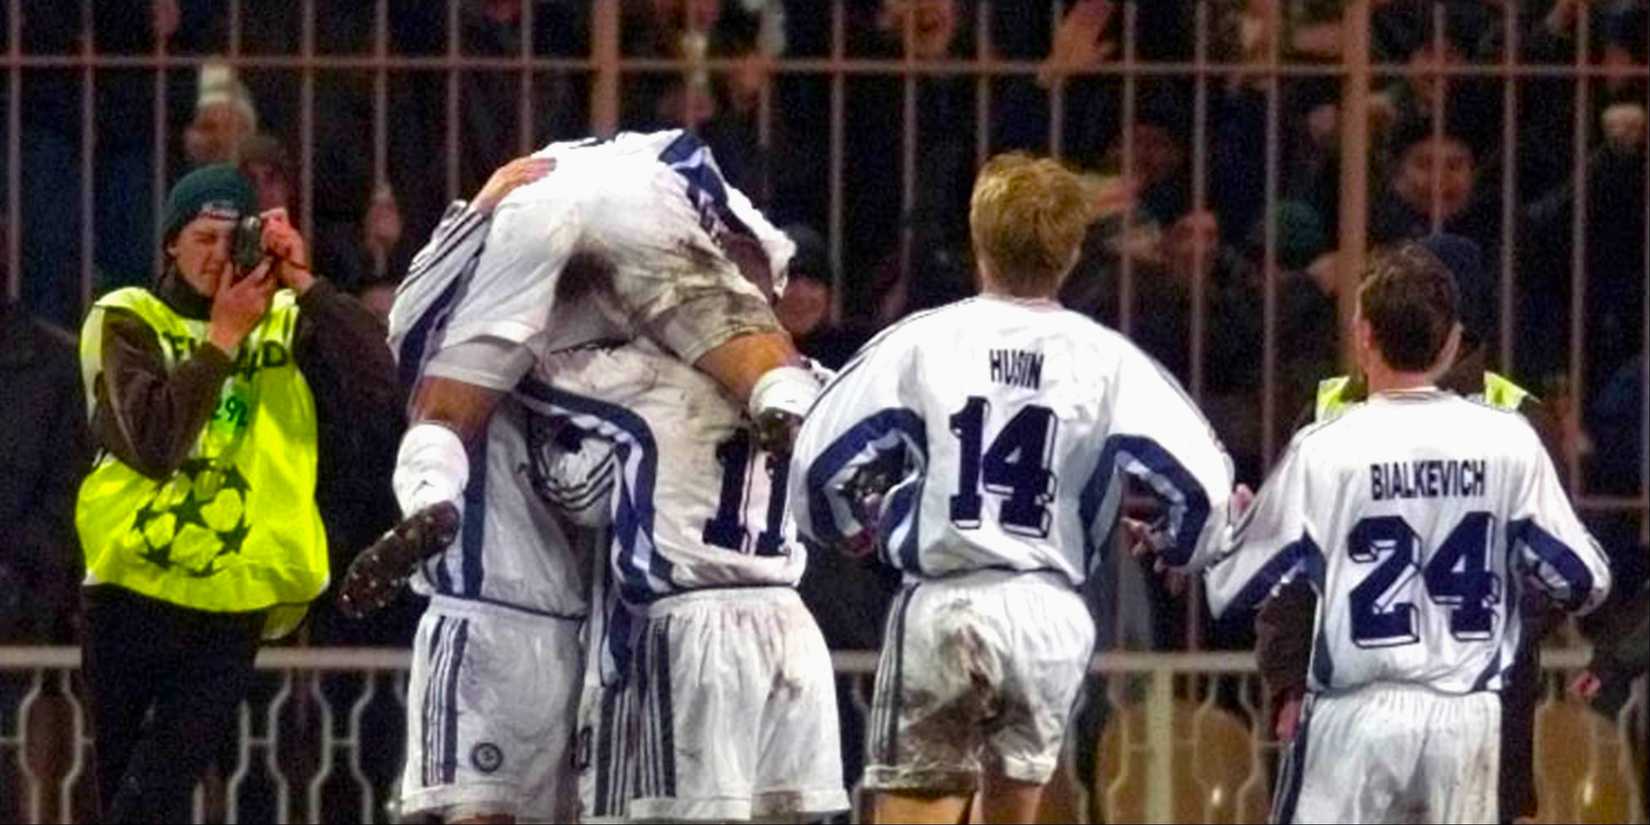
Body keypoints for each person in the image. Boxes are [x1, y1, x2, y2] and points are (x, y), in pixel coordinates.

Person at [343, 130, 830, 823]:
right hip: (749, 616)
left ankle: (430, 490)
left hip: (520, 215)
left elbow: (409, 326)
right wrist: (749, 333)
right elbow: (753, 254)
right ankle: (781, 402)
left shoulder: (531, 181)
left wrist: (474, 214)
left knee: (444, 416)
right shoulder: (675, 163)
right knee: (768, 362)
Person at [789, 152, 1238, 825]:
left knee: (917, 810)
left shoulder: (924, 341)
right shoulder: (1107, 359)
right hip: (1048, 610)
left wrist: (854, 530)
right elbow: (1205, 488)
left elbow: (819, 463)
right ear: (1073, 251)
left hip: (948, 603)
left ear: (977, 241)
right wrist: (1178, 546)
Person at [1196, 242, 1613, 824]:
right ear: (1449, 340)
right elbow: (1584, 579)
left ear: (1364, 333)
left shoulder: (1326, 437)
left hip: (1353, 708)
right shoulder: (1512, 435)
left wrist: (1231, 529)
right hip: (1472, 711)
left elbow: (1237, 585)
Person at [74, 164, 398, 822]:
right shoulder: (125, 317)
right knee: (124, 790)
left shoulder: (284, 321)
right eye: (203, 238)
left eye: (233, 239)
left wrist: (307, 284)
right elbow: (154, 440)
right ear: (170, 241)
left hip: (237, 595)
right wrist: (223, 336)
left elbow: (382, 384)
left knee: (167, 789)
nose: (219, 255)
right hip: (131, 586)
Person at [535, 336, 848, 823]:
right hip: (791, 621)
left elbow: (571, 480)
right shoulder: (822, 383)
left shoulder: (651, 374)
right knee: (787, 814)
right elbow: (847, 519)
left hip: (695, 621)